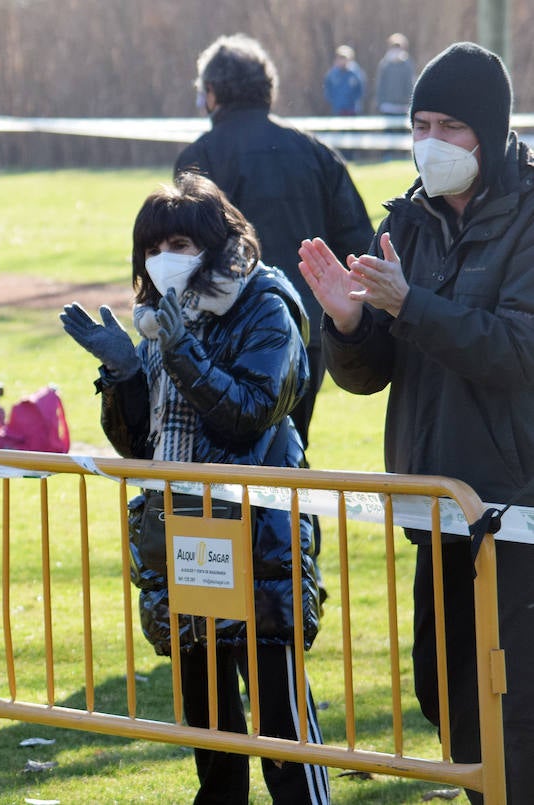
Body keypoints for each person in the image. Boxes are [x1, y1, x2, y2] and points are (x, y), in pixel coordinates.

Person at [298, 42, 534, 804]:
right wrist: (348, 325)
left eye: (450, 126)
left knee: (513, 711)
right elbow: (371, 374)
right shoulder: (406, 218)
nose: (429, 140)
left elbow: (516, 351)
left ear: (490, 134)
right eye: (419, 122)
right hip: (433, 507)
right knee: (444, 694)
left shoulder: (530, 218)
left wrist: (409, 305)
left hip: (515, 510)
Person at [63, 173, 328, 804]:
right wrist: (124, 375)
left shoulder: (267, 304)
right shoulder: (162, 315)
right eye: (152, 248)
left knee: (280, 716)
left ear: (215, 242)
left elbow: (249, 412)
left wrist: (182, 353)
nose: (163, 259)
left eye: (178, 242)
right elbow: (141, 448)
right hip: (183, 533)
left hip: (257, 534)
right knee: (208, 717)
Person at [176, 33, 373, 452]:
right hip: (308, 333)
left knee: (227, 475)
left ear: (211, 93)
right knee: (290, 458)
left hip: (228, 341)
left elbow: (179, 257)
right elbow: (360, 245)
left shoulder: (200, 158)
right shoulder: (316, 152)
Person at [374, 33, 416, 115]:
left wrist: (410, 102)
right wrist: (380, 102)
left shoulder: (407, 64)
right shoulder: (384, 64)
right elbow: (380, 85)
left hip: (403, 107)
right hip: (387, 106)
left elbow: (410, 84)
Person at [324, 45, 365, 115]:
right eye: (339, 58)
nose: (341, 60)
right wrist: (334, 101)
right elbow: (328, 88)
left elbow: (360, 90)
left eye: (344, 58)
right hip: (338, 109)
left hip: (353, 109)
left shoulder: (355, 73)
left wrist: (353, 101)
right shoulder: (332, 74)